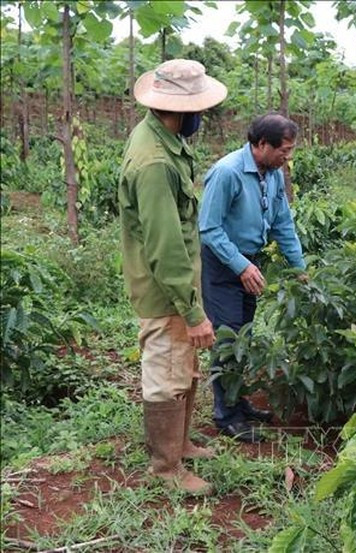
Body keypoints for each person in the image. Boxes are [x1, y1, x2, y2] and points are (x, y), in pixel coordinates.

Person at [119, 59, 227, 494]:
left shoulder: (165, 140)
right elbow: (164, 247)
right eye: (198, 109)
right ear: (181, 111)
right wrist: (193, 311)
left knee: (184, 364)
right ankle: (166, 469)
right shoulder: (154, 162)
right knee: (166, 371)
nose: (202, 116)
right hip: (166, 289)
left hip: (178, 284)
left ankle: (181, 444)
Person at [199, 114, 307, 443]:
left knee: (243, 335)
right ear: (262, 144)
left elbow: (283, 223)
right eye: (284, 150)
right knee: (228, 337)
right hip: (223, 264)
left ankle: (238, 400)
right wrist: (240, 266)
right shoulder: (227, 172)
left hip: (250, 262)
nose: (288, 156)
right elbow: (209, 228)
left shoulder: (272, 175)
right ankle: (226, 415)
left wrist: (299, 267)